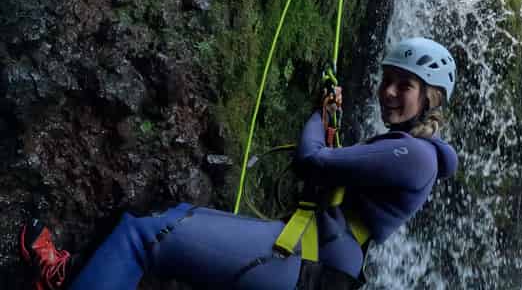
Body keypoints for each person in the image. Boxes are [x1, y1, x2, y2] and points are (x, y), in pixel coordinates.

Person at [19, 38, 458, 290]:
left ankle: (64, 280)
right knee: (166, 220)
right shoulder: (408, 150)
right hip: (308, 265)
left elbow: (312, 160)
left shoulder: (414, 154)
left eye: (405, 85)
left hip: (300, 266)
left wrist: (318, 114)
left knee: (143, 229)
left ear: (430, 98)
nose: (388, 93)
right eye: (387, 81)